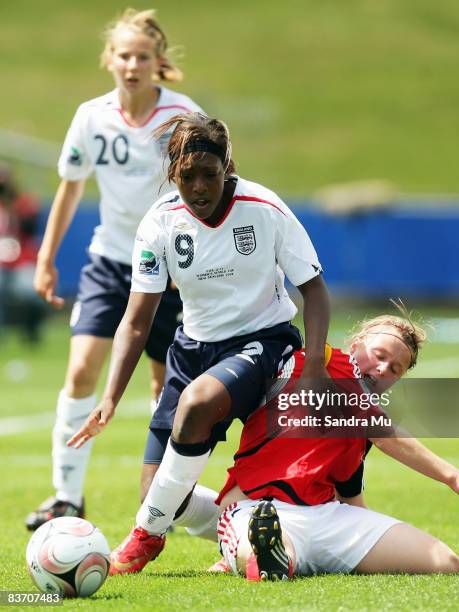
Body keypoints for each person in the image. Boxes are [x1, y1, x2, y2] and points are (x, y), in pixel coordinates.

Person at [68, 111, 330, 575]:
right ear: (173, 175)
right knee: (162, 498)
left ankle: (143, 539)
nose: (199, 188)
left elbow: (314, 290)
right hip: (192, 350)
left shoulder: (264, 208)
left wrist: (312, 369)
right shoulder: (159, 222)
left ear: (227, 167)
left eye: (209, 175)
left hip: (261, 343)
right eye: (187, 177)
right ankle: (260, 534)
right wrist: (110, 397)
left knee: (195, 405)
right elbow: (136, 319)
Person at [25, 9, 204, 530]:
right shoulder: (91, 116)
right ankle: (65, 497)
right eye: (123, 55)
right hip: (109, 261)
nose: (132, 64)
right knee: (81, 370)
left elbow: (204, 191)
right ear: (109, 60)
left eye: (142, 56)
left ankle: (162, 502)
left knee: (162, 388)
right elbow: (70, 186)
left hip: (169, 267)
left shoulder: (183, 117)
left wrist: (187, 256)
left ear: (158, 63)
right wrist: (46, 257)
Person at [212, 313, 459, 580]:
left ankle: (266, 556)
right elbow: (384, 433)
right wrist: (455, 477)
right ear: (355, 345)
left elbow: (351, 496)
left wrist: (365, 530)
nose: (382, 370)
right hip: (261, 508)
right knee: (274, 555)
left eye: (395, 369)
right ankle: (254, 554)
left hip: (324, 517)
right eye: (378, 355)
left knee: (446, 562)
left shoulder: (359, 428)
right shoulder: (327, 362)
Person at [0, 164, 47, 343]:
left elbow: (30, 228)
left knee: (34, 291)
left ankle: (31, 332)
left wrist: (10, 204)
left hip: (22, 260)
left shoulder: (22, 202)